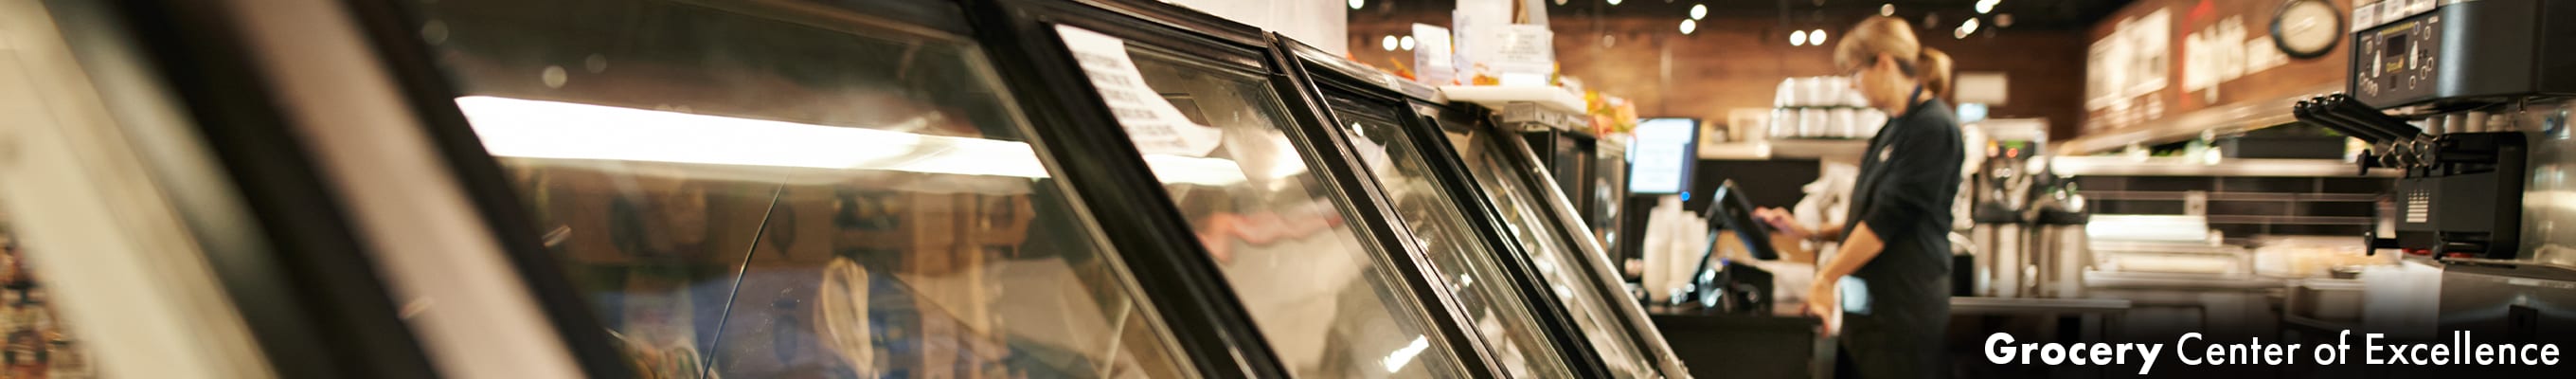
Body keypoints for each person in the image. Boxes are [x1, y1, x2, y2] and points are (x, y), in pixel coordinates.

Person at [1754, 15, 1963, 379]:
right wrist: (1810, 233)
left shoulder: (1932, 128)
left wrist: (1826, 278)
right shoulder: (1893, 127)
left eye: (1853, 73)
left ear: (1883, 62)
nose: (1853, 86)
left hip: (1902, 313)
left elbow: (1887, 221)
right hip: (1869, 315)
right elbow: (1867, 214)